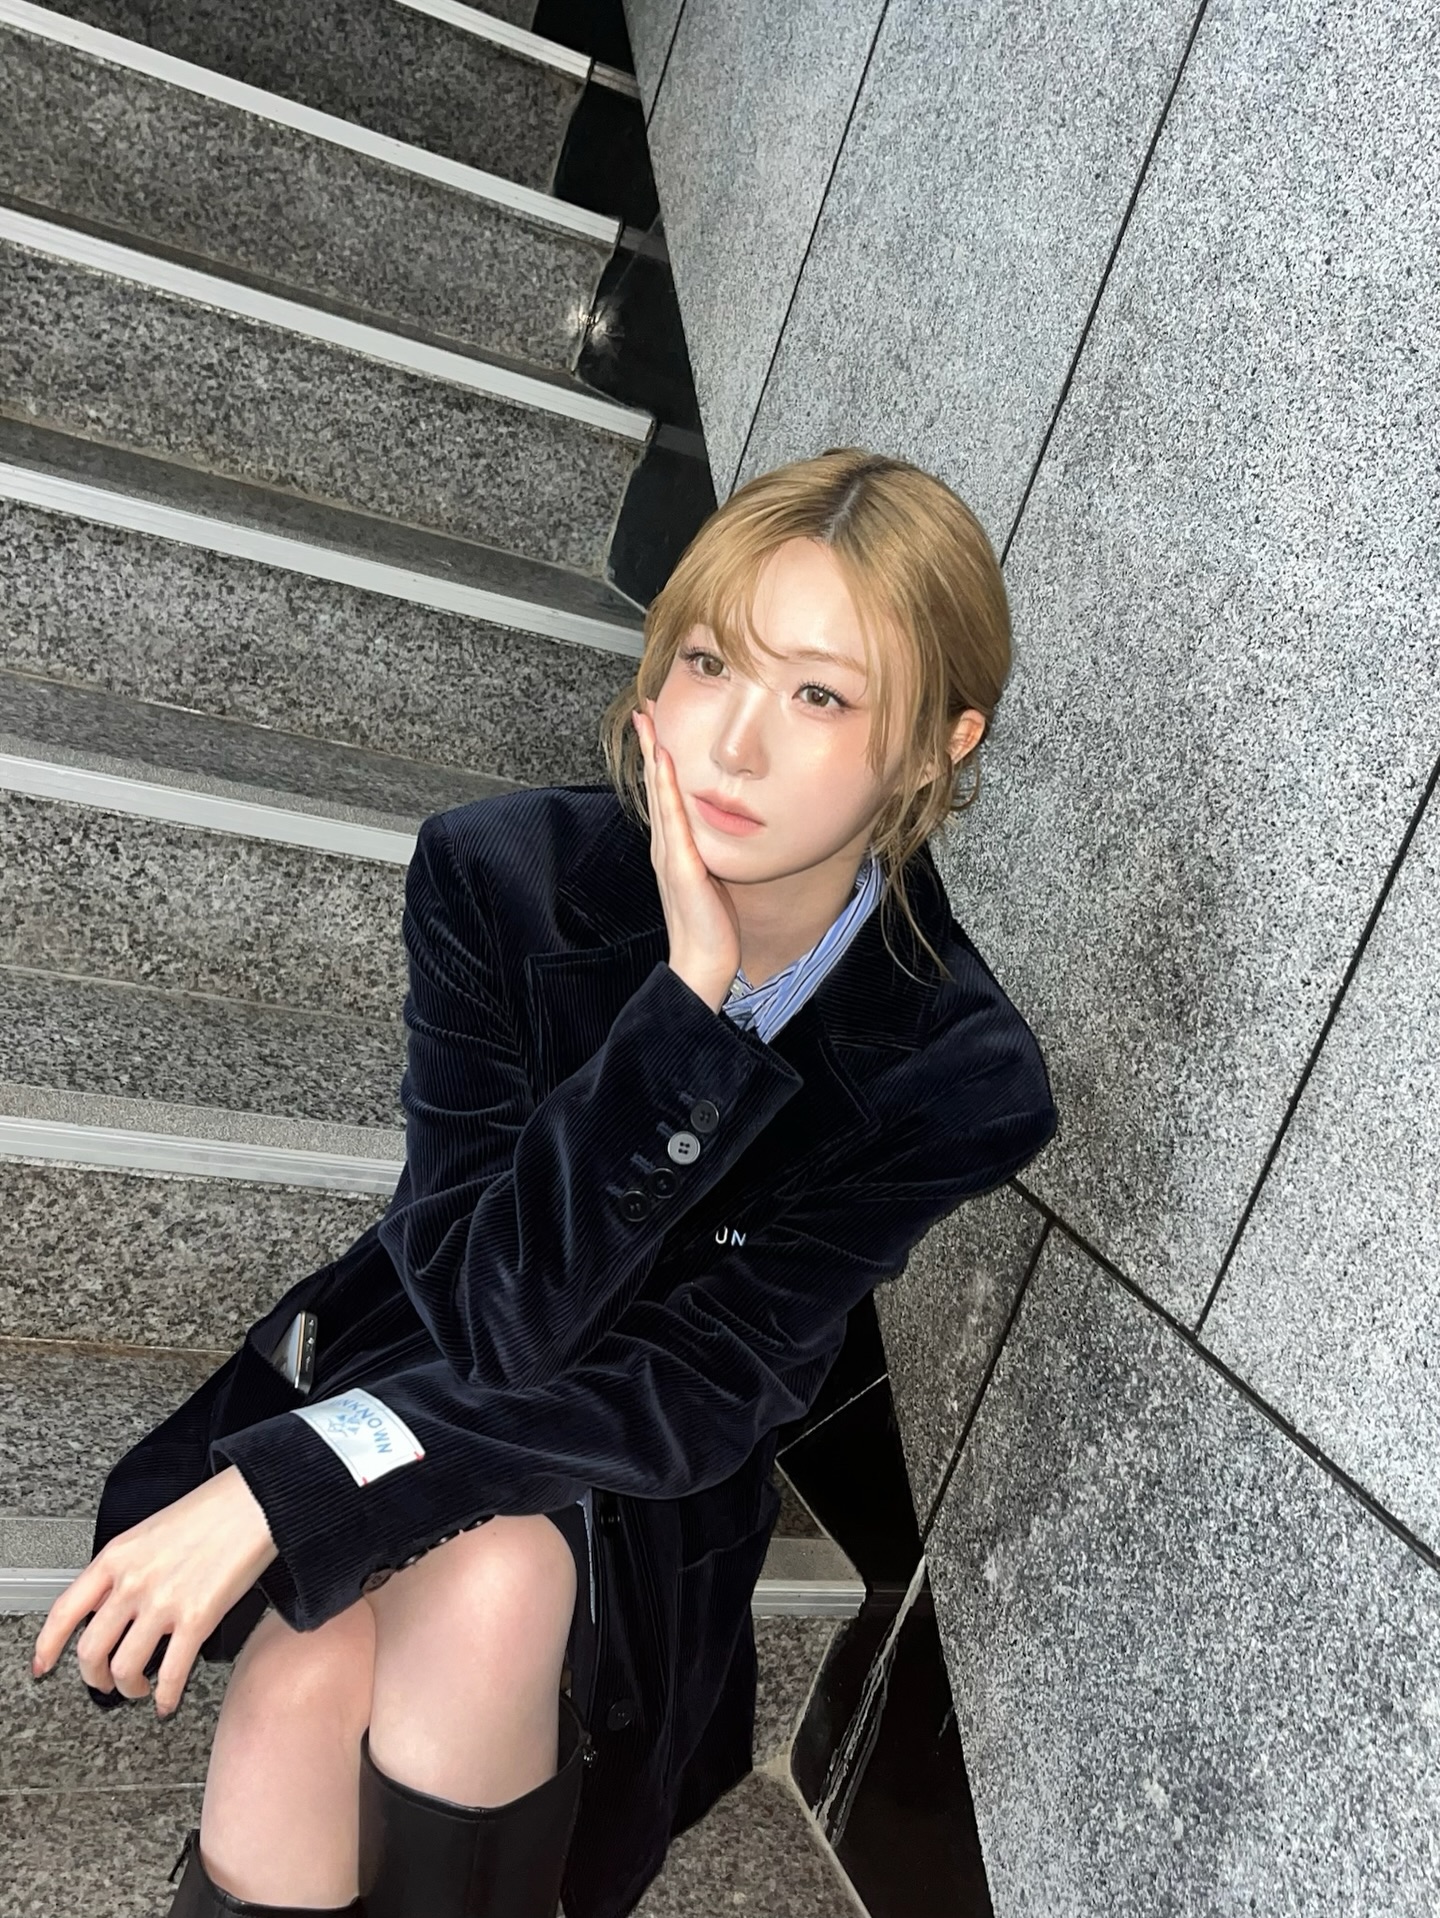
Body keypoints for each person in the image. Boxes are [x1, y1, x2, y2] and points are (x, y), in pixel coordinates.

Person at [29, 447, 1059, 1918]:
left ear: (934, 750)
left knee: (489, 1588)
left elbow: (692, 1387)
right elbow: (486, 1307)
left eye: (821, 697)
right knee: (304, 1679)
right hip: (432, 1355)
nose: (733, 745)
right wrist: (682, 1001)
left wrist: (295, 1481)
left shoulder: (956, 1070)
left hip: (637, 1487)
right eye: (709, 661)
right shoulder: (503, 878)